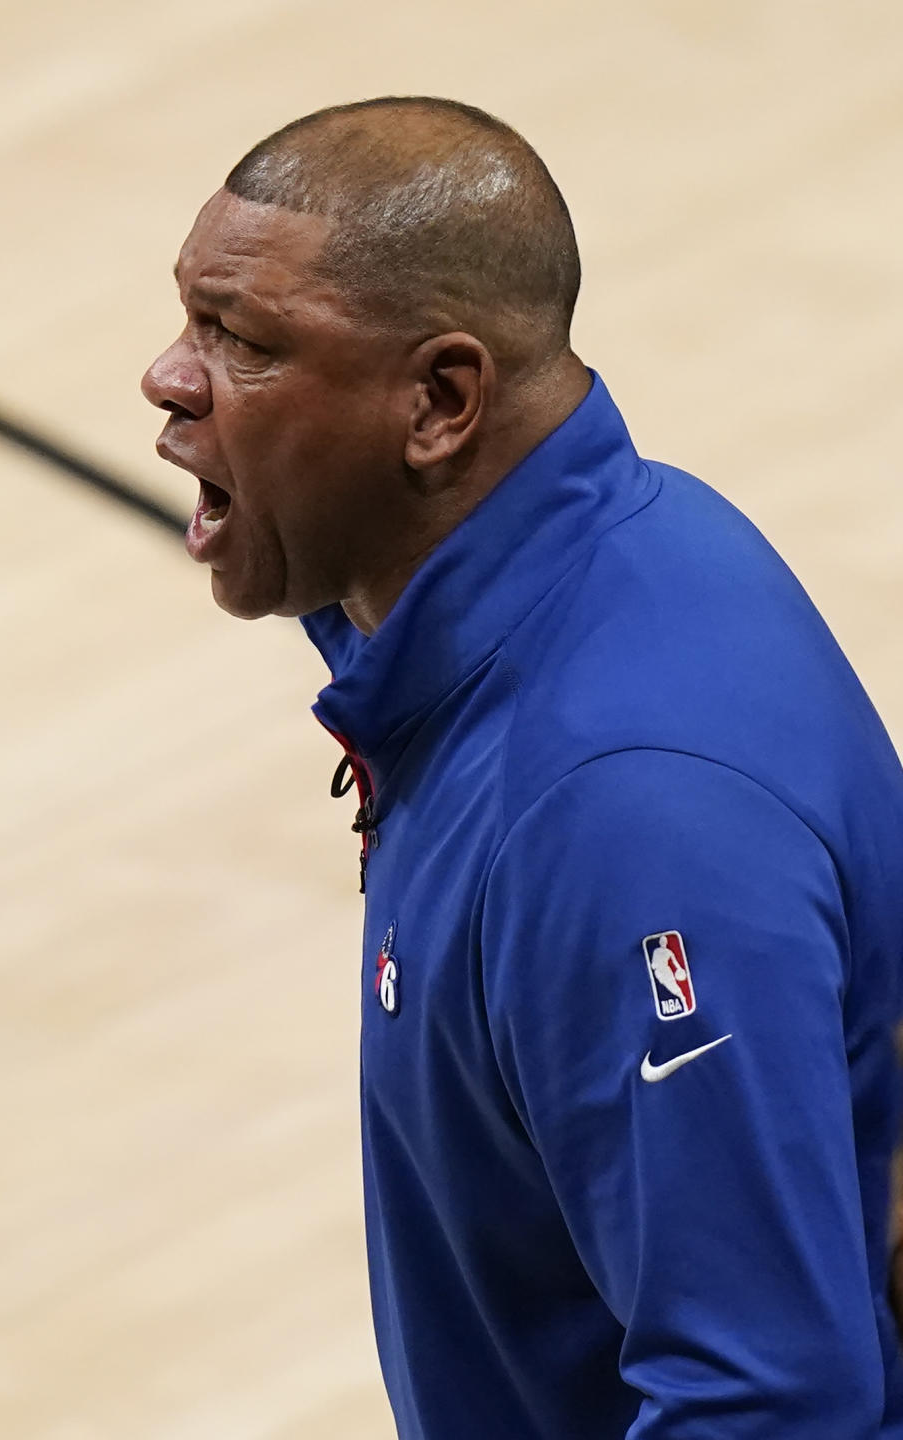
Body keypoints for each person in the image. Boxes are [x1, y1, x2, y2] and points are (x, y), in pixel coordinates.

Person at [141, 96, 903, 1438]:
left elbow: (768, 1400)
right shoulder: (596, 563)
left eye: (244, 342)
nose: (169, 377)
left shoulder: (617, 809)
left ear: (438, 401)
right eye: (193, 318)